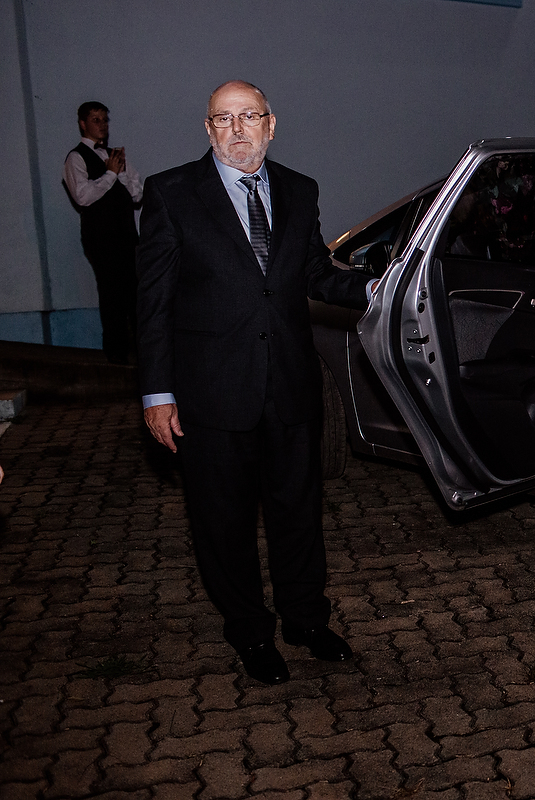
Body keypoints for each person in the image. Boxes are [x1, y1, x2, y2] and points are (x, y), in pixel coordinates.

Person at [137, 80, 376, 685]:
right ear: (208, 129)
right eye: (224, 119)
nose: (237, 129)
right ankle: (249, 631)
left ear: (272, 124)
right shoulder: (171, 193)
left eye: (249, 116)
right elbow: (154, 303)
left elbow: (315, 271)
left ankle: (305, 620)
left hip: (290, 385)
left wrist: (379, 288)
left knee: (299, 513)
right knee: (224, 522)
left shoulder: (299, 189)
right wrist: (157, 394)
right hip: (211, 393)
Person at [64, 101, 143, 364]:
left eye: (105, 120)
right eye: (95, 120)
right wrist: (110, 174)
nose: (102, 125)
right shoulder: (76, 158)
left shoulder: (114, 155)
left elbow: (137, 194)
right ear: (83, 124)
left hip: (126, 237)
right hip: (101, 239)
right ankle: (116, 356)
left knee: (134, 294)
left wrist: (120, 175)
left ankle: (141, 354)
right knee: (112, 295)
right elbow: (83, 196)